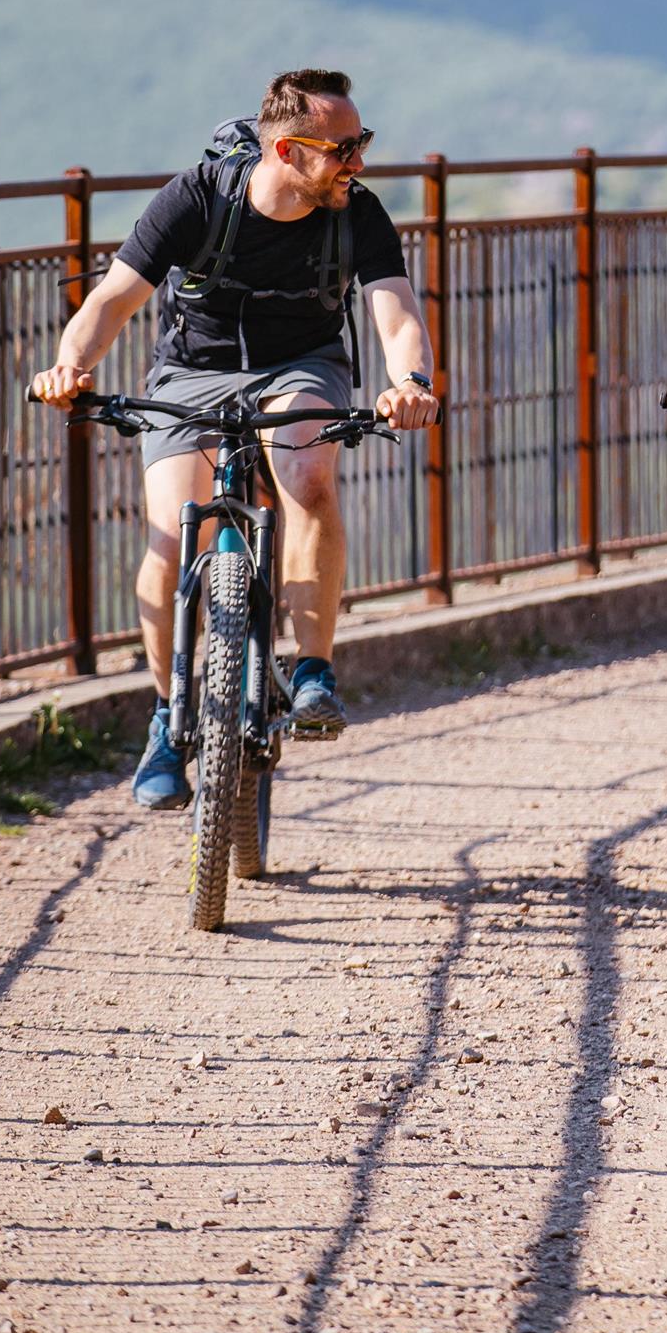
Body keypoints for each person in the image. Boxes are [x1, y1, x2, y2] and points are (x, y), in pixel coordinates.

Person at [31, 70, 439, 807]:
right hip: (191, 375)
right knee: (168, 535)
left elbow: (398, 312)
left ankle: (313, 673)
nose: (359, 163)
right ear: (287, 150)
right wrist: (69, 366)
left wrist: (409, 382)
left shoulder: (359, 214)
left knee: (308, 474)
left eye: (363, 143)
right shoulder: (196, 197)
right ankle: (167, 717)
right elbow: (114, 298)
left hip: (301, 368)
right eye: (344, 148)